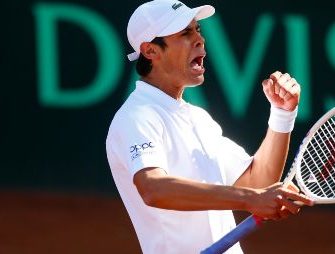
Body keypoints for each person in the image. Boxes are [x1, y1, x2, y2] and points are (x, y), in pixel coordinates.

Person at [106, 0, 313, 253]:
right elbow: (153, 188)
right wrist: (252, 200)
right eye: (185, 33)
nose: (199, 40)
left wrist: (282, 114)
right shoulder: (137, 116)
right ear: (151, 51)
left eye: (198, 30)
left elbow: (257, 183)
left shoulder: (199, 119)